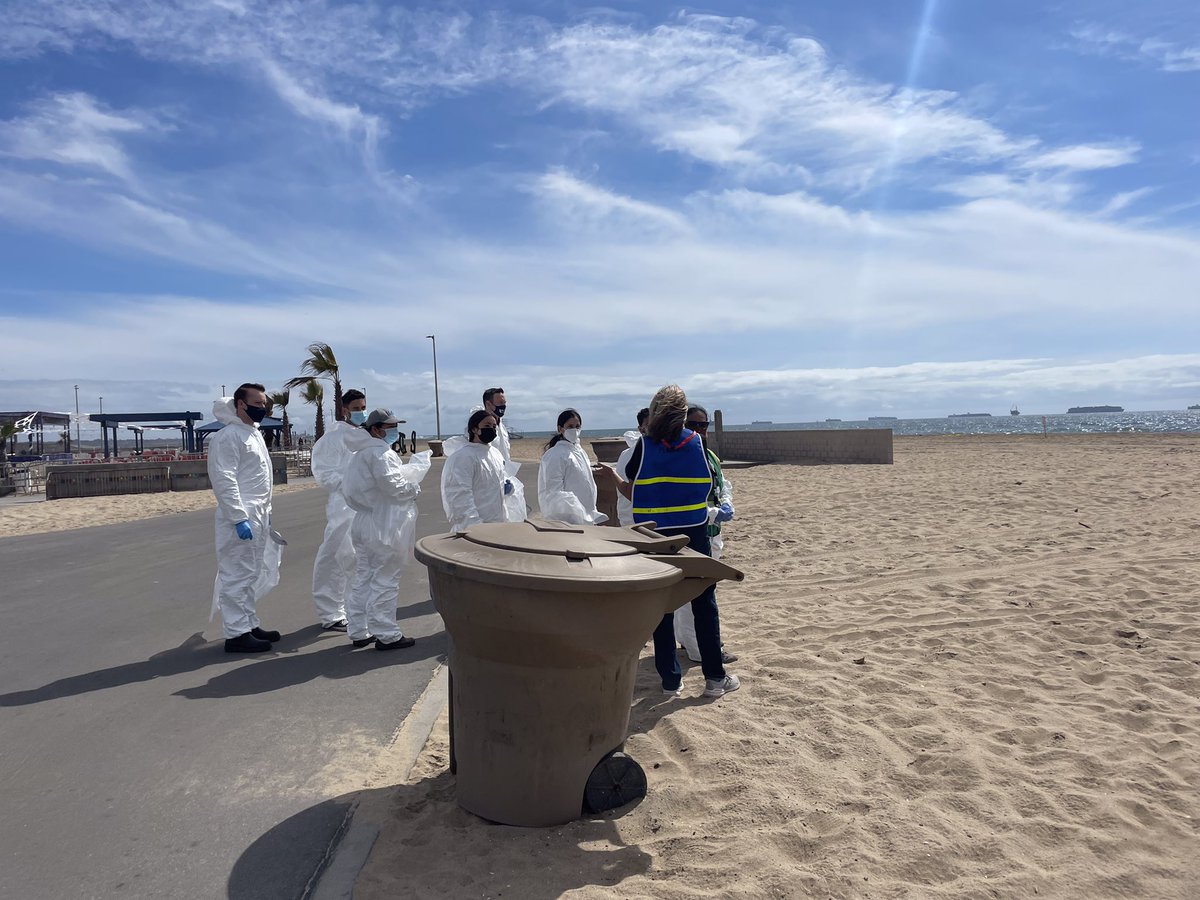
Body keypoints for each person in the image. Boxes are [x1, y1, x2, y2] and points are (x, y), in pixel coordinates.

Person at [617, 385, 739, 698]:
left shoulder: (644, 446)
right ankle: (715, 679)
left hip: (655, 534)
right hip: (694, 531)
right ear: (683, 416)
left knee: (662, 606)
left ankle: (671, 681)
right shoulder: (696, 441)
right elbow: (708, 481)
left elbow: (630, 479)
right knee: (704, 603)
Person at [341, 408, 432, 650]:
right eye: (390, 427)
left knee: (364, 576)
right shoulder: (381, 454)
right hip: (383, 524)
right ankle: (387, 634)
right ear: (376, 429)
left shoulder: (359, 454)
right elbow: (394, 486)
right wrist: (414, 488)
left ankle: (359, 629)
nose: (395, 431)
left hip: (364, 521)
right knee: (386, 577)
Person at [207, 383, 282, 653]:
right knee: (236, 574)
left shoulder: (252, 433)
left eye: (264, 403)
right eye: (257, 403)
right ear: (240, 404)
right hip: (240, 514)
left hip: (258, 513)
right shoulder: (228, 436)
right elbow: (224, 478)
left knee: (251, 572)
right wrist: (238, 517)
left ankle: (249, 623)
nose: (263, 408)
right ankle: (236, 633)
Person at [673, 404, 737, 665]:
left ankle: (688, 640)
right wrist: (711, 513)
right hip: (693, 532)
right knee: (695, 593)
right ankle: (699, 648)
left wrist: (726, 503)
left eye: (704, 425)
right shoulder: (680, 457)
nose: (700, 430)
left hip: (712, 532)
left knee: (697, 592)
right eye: (693, 425)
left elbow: (722, 485)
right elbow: (681, 498)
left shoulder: (709, 455)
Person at [308, 388, 369, 632]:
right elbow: (324, 472)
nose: (361, 412)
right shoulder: (333, 438)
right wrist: (350, 485)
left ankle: (357, 610)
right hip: (343, 505)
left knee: (361, 558)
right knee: (337, 557)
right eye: (356, 409)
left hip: (365, 506)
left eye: (363, 408)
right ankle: (331, 613)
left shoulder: (365, 435)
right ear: (344, 410)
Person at [440, 409, 508, 532]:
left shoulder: (495, 454)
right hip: (473, 528)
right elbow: (459, 495)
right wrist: (474, 526)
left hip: (497, 524)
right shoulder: (463, 457)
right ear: (474, 429)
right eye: (487, 425)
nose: (492, 429)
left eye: (494, 426)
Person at [537, 408, 608, 525]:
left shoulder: (579, 451)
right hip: (568, 519)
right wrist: (574, 514)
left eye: (577, 426)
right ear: (560, 429)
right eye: (570, 426)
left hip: (587, 515)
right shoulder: (555, 454)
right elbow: (554, 491)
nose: (574, 430)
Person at [482, 386, 527, 521]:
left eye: (504, 403)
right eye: (500, 403)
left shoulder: (501, 426)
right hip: (489, 484)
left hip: (505, 478)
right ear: (488, 404)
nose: (503, 406)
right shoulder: (483, 428)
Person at [614, 407, 650, 527]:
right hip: (635, 520)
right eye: (649, 424)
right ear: (641, 429)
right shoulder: (629, 454)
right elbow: (627, 493)